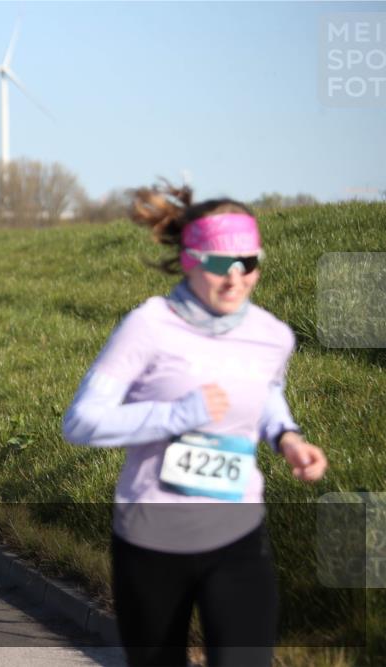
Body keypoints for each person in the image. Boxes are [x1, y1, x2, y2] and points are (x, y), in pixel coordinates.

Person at [61, 183, 328, 667]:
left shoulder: (273, 336)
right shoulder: (149, 325)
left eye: (247, 263)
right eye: (218, 263)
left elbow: (267, 393)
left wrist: (287, 436)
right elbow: (81, 422)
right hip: (151, 538)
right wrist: (176, 415)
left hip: (238, 533)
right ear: (189, 261)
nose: (235, 279)